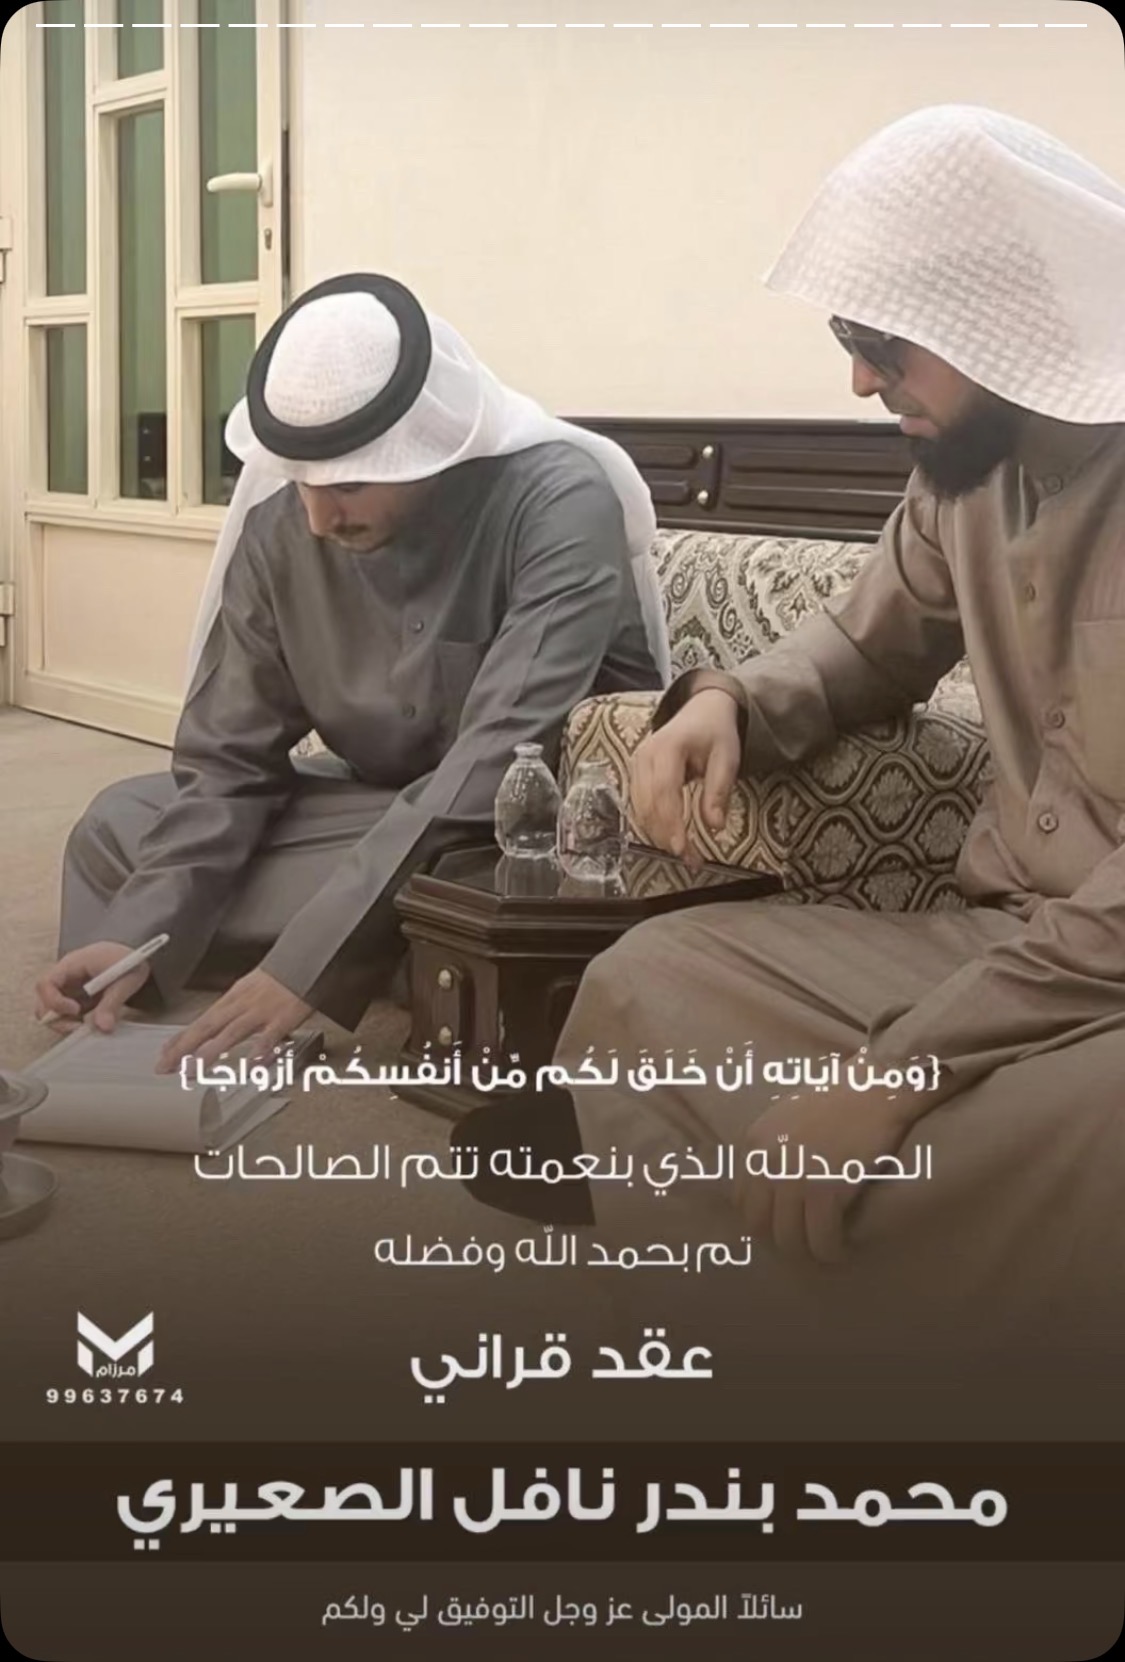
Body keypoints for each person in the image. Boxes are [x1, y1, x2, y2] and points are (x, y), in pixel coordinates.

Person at [549, 105, 1125, 1318]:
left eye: (882, 343)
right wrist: (728, 703)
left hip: (1107, 991)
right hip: (995, 945)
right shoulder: (961, 479)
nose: (860, 379)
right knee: (645, 983)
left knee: (1093, 1146)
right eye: (848, 338)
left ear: (999, 317)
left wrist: (900, 1070)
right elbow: (864, 644)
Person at [34, 273, 669, 1068]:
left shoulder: (555, 503)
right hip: (375, 816)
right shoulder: (282, 533)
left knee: (493, 881)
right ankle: (402, 952)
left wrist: (306, 963)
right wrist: (137, 935)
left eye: (350, 483)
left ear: (429, 444)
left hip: (522, 831)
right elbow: (228, 762)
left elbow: (498, 760)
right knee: (121, 821)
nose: (318, 519)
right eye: (302, 482)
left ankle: (365, 950)